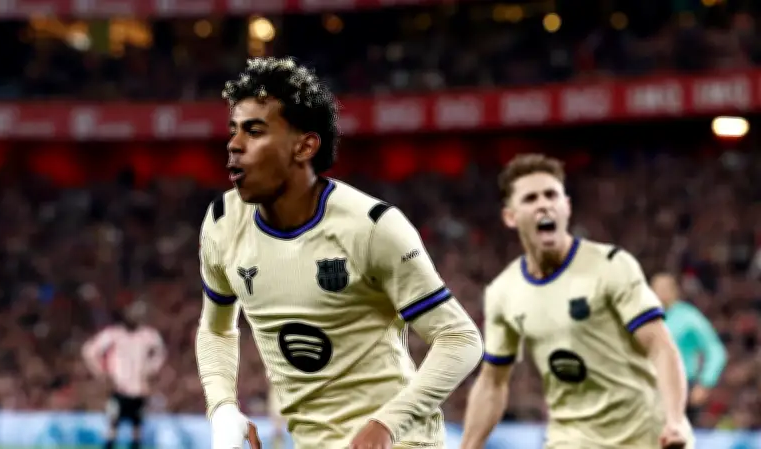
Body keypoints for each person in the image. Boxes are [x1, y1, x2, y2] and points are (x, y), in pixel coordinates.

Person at [196, 57, 483, 449]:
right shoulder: (222, 223)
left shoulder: (371, 227)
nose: (233, 144)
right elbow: (216, 329)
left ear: (304, 146)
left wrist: (386, 425)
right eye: (234, 130)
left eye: (254, 131)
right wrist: (222, 408)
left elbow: (459, 338)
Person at [459, 154, 693, 449]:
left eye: (551, 195)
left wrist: (675, 420)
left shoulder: (611, 265)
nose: (544, 204)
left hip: (647, 435)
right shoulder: (503, 291)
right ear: (510, 217)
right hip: (572, 439)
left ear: (566, 206)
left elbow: (660, 346)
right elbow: (493, 382)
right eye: (530, 198)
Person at [82, 301, 166, 449]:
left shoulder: (148, 335)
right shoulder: (114, 335)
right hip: (119, 388)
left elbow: (161, 352)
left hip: (139, 390)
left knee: (136, 428)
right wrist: (102, 372)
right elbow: (90, 351)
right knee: (113, 427)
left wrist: (150, 369)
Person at [651, 272, 727, 422]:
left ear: (675, 291)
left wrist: (705, 382)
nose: (659, 293)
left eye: (664, 289)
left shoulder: (689, 317)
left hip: (681, 387)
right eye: (656, 289)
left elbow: (716, 350)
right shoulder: (642, 318)